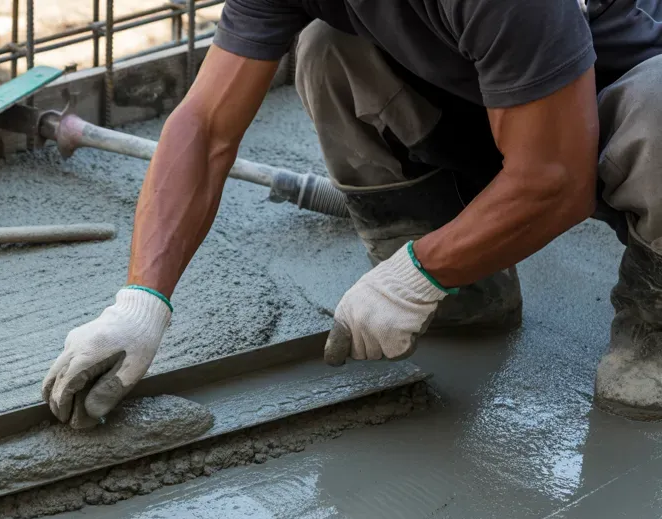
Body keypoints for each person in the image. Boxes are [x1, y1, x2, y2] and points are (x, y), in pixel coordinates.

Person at [42, 0, 662, 426]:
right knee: (327, 47)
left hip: (616, 113)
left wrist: (415, 274)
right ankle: (465, 283)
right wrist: (141, 303)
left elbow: (558, 178)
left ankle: (653, 323)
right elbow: (204, 130)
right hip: (507, 105)